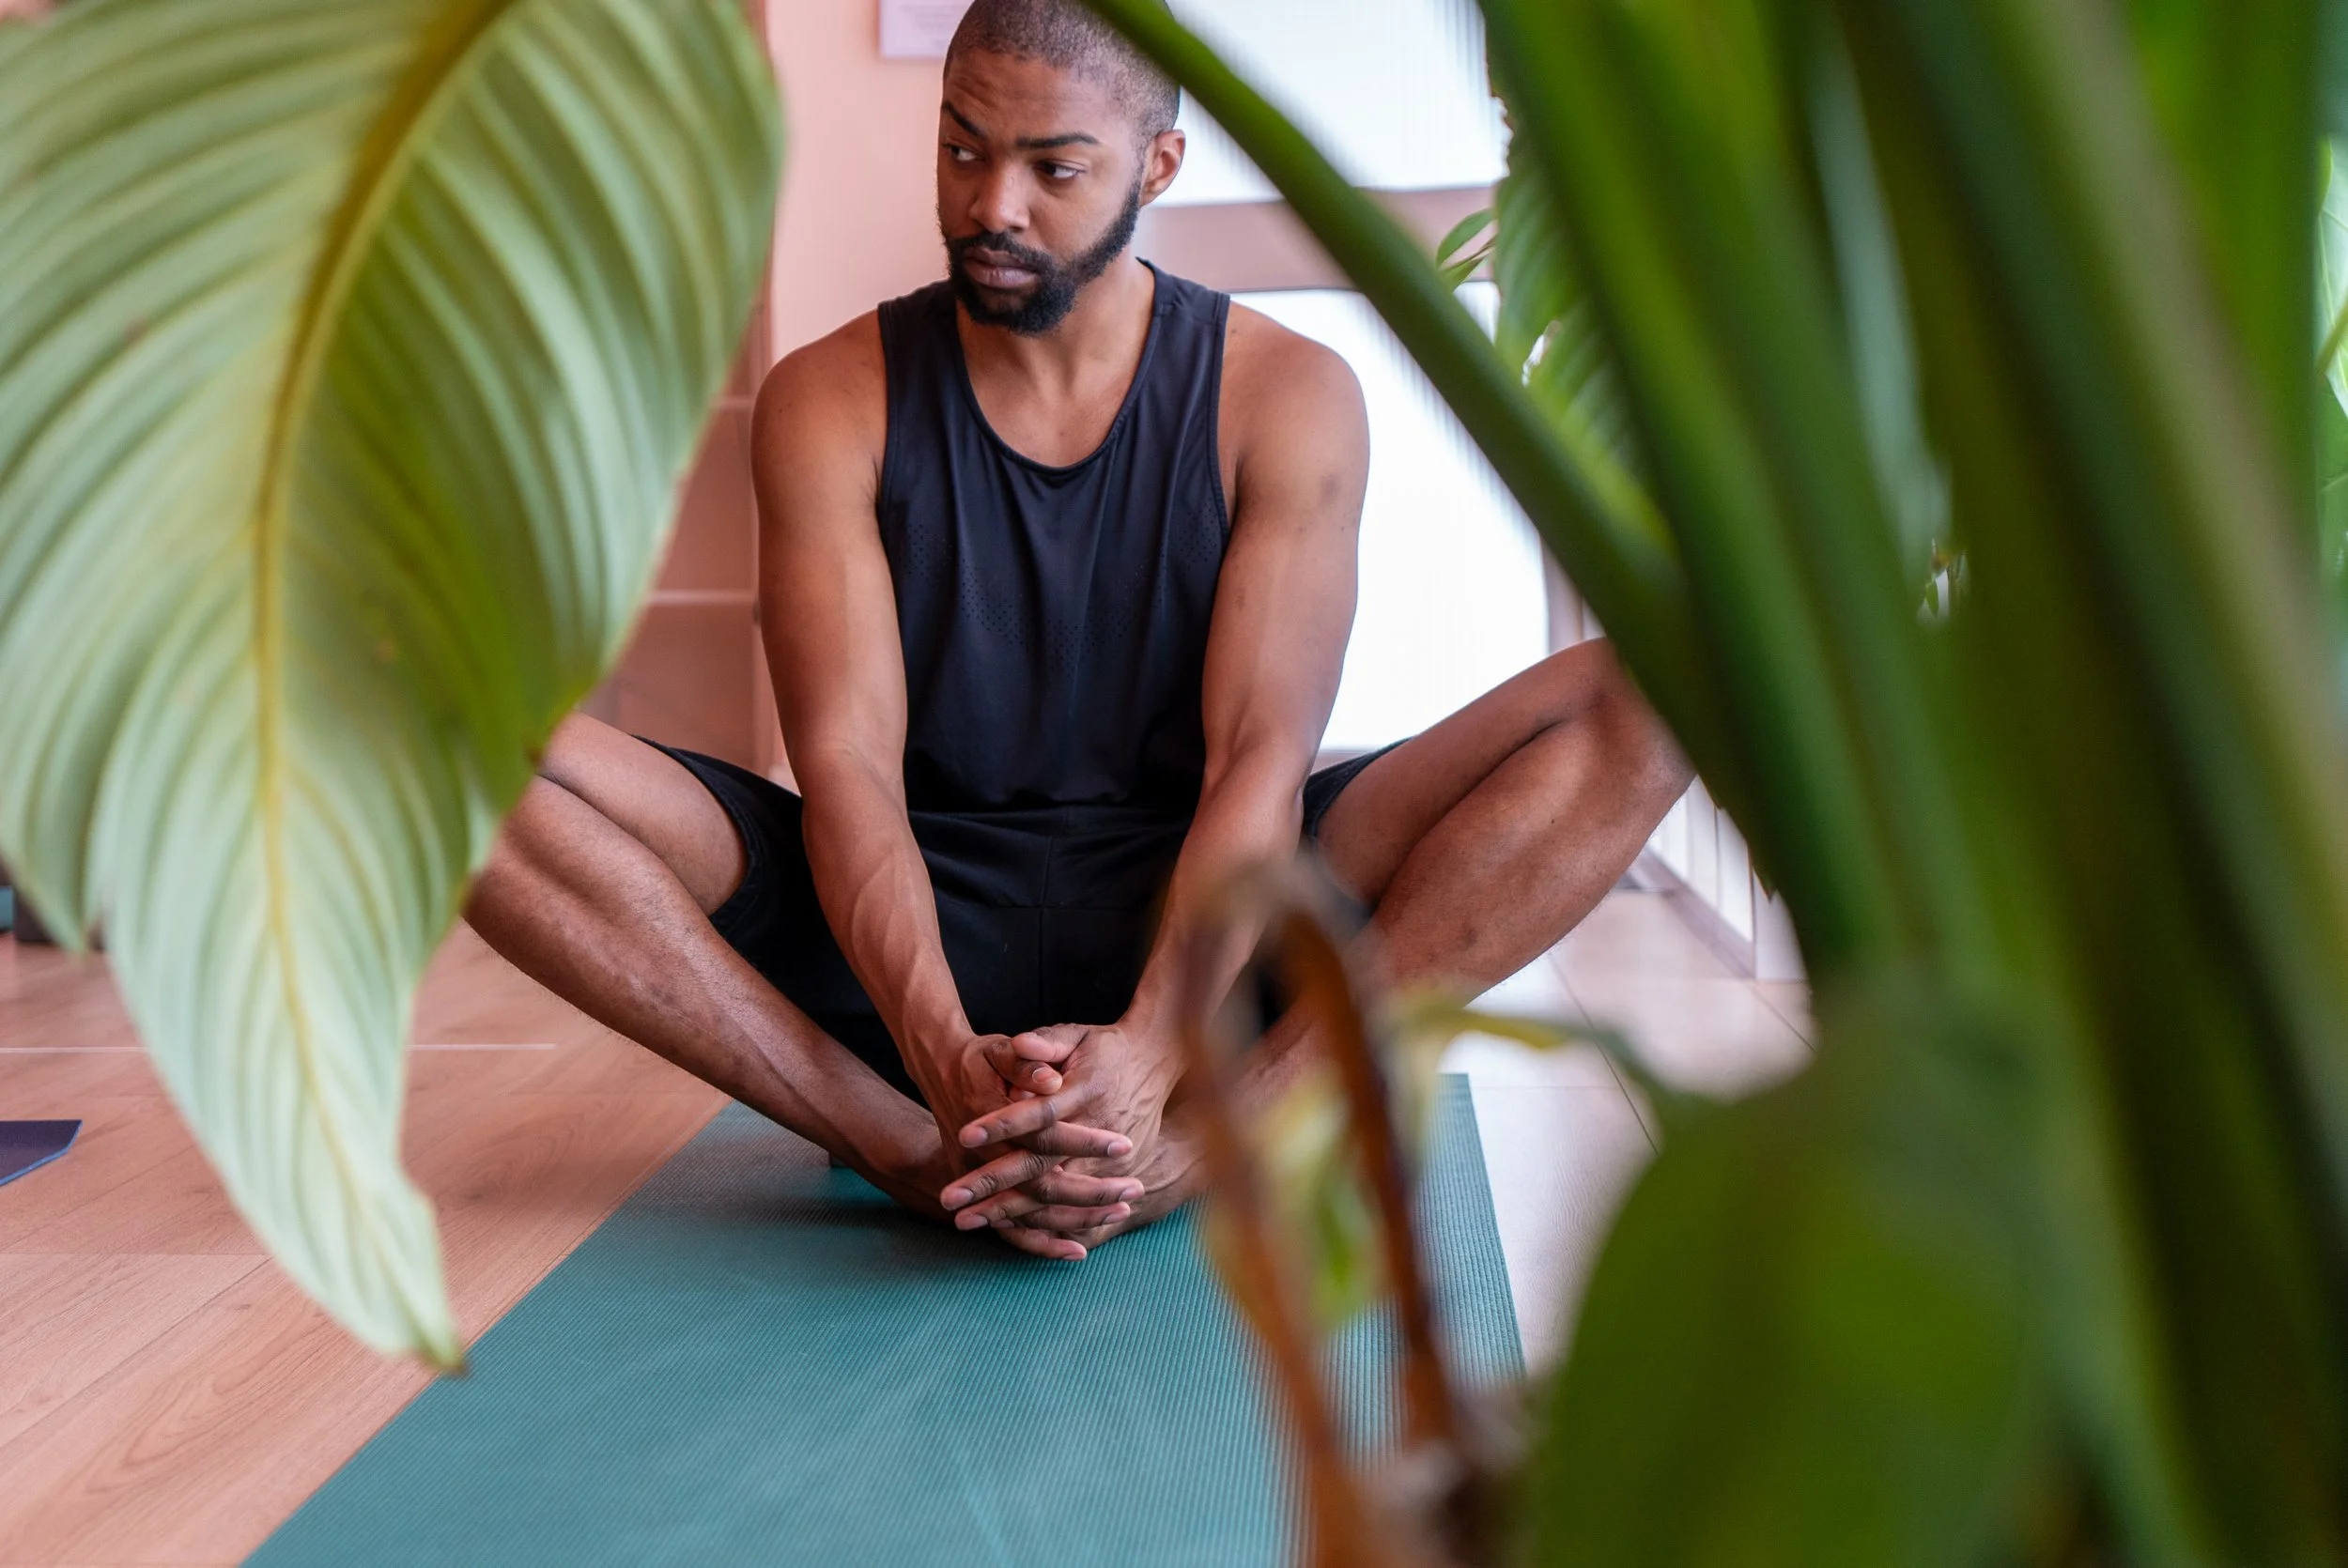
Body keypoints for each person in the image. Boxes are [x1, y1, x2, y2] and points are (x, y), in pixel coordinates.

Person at [466, 0, 1689, 1261]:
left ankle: (1211, 1141)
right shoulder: (829, 396)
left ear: (1157, 166)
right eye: (962, 150)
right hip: (898, 929)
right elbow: (847, 765)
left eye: (1053, 169)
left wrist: (1154, 1054)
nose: (992, 205)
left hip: (1213, 929)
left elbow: (1258, 763)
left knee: (1657, 694)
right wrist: (937, 1057)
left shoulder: (1284, 391)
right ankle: (898, 1145)